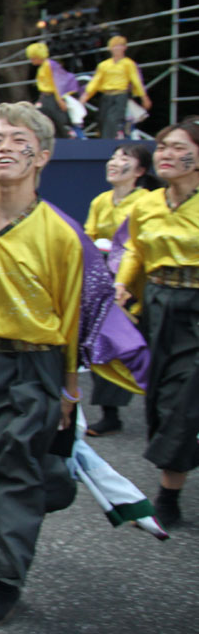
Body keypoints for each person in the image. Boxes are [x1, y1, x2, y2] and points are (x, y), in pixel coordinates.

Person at [0, 102, 147, 626]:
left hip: (32, 369)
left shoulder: (62, 235)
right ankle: (48, 482)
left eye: (17, 139)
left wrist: (68, 389)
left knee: (3, 468)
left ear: (42, 155)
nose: (3, 148)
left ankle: (4, 578)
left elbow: (71, 318)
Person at [114, 119, 199, 527]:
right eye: (161, 147)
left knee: (184, 398)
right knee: (161, 399)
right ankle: (173, 478)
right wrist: (120, 285)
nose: (164, 154)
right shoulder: (145, 204)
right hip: (159, 305)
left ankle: (167, 493)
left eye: (176, 147)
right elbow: (135, 251)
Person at [83, 143, 161, 436]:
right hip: (109, 286)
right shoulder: (100, 201)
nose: (115, 161)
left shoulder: (149, 202)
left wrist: (123, 277)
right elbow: (88, 237)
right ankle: (110, 414)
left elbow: (138, 246)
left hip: (143, 286)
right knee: (105, 344)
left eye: (124, 157)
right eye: (114, 156)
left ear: (140, 171)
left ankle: (164, 414)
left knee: (155, 352)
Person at [81, 36, 152, 139]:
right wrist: (85, 96)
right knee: (101, 119)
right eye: (115, 46)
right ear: (110, 48)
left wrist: (144, 97)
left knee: (112, 120)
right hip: (106, 96)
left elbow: (136, 81)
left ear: (124, 48)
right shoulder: (104, 65)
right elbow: (95, 82)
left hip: (121, 95)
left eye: (120, 46)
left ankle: (108, 144)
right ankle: (103, 141)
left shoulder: (129, 64)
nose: (117, 48)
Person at [26, 42, 76, 139]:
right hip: (45, 97)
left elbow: (57, 83)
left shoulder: (50, 65)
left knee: (58, 120)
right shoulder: (42, 67)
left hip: (53, 97)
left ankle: (67, 136)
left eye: (32, 57)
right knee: (43, 118)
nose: (31, 60)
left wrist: (60, 99)